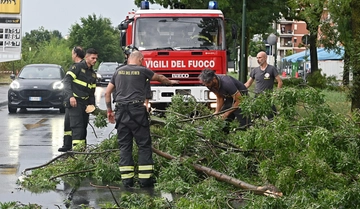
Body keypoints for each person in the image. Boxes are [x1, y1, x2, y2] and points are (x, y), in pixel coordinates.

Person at [104, 51, 179, 188]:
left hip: (121, 112)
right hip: (137, 111)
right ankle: (145, 181)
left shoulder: (118, 72)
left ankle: (127, 181)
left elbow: (107, 92)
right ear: (141, 59)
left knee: (125, 146)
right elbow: (160, 77)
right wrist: (170, 82)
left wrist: (109, 110)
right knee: (143, 145)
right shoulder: (142, 70)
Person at [62, 48, 98, 151]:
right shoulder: (77, 67)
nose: (95, 60)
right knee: (77, 127)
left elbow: (92, 91)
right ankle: (78, 152)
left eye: (96, 58)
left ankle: (82, 150)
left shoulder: (92, 74)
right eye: (93, 58)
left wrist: (92, 105)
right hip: (75, 102)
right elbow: (67, 82)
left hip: (85, 103)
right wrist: (71, 97)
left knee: (83, 128)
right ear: (86, 57)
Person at [58, 46, 85, 152]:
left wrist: (71, 96)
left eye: (72, 53)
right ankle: (67, 144)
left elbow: (66, 81)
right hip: (71, 101)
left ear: (75, 54)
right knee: (68, 125)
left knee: (76, 126)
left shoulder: (78, 67)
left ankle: (77, 149)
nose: (71, 55)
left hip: (76, 101)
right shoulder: (81, 66)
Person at [244, 51, 283, 120]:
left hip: (268, 97)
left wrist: (277, 93)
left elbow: (280, 82)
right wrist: (239, 89)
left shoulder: (272, 69)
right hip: (257, 96)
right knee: (254, 115)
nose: (258, 60)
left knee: (272, 117)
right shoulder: (255, 70)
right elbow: (248, 83)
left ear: (265, 58)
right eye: (257, 58)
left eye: (260, 58)